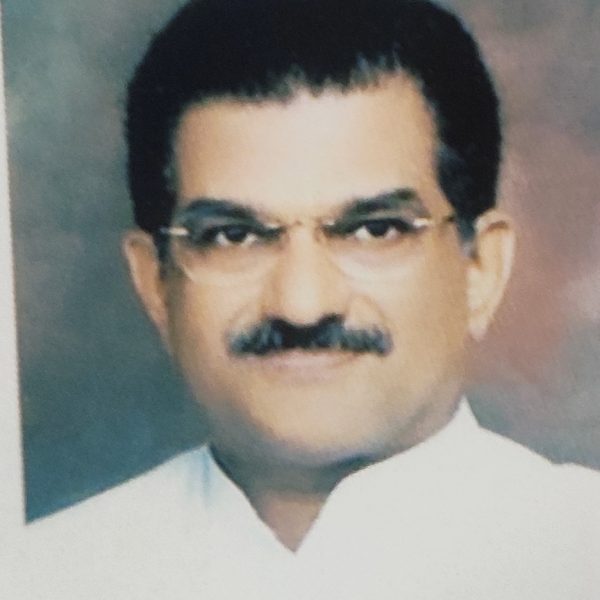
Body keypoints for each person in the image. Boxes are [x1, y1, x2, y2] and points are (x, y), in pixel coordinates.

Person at [22, 0, 599, 598]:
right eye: (234, 236)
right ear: (155, 284)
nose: (302, 303)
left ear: (481, 268)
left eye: (373, 230)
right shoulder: (40, 576)